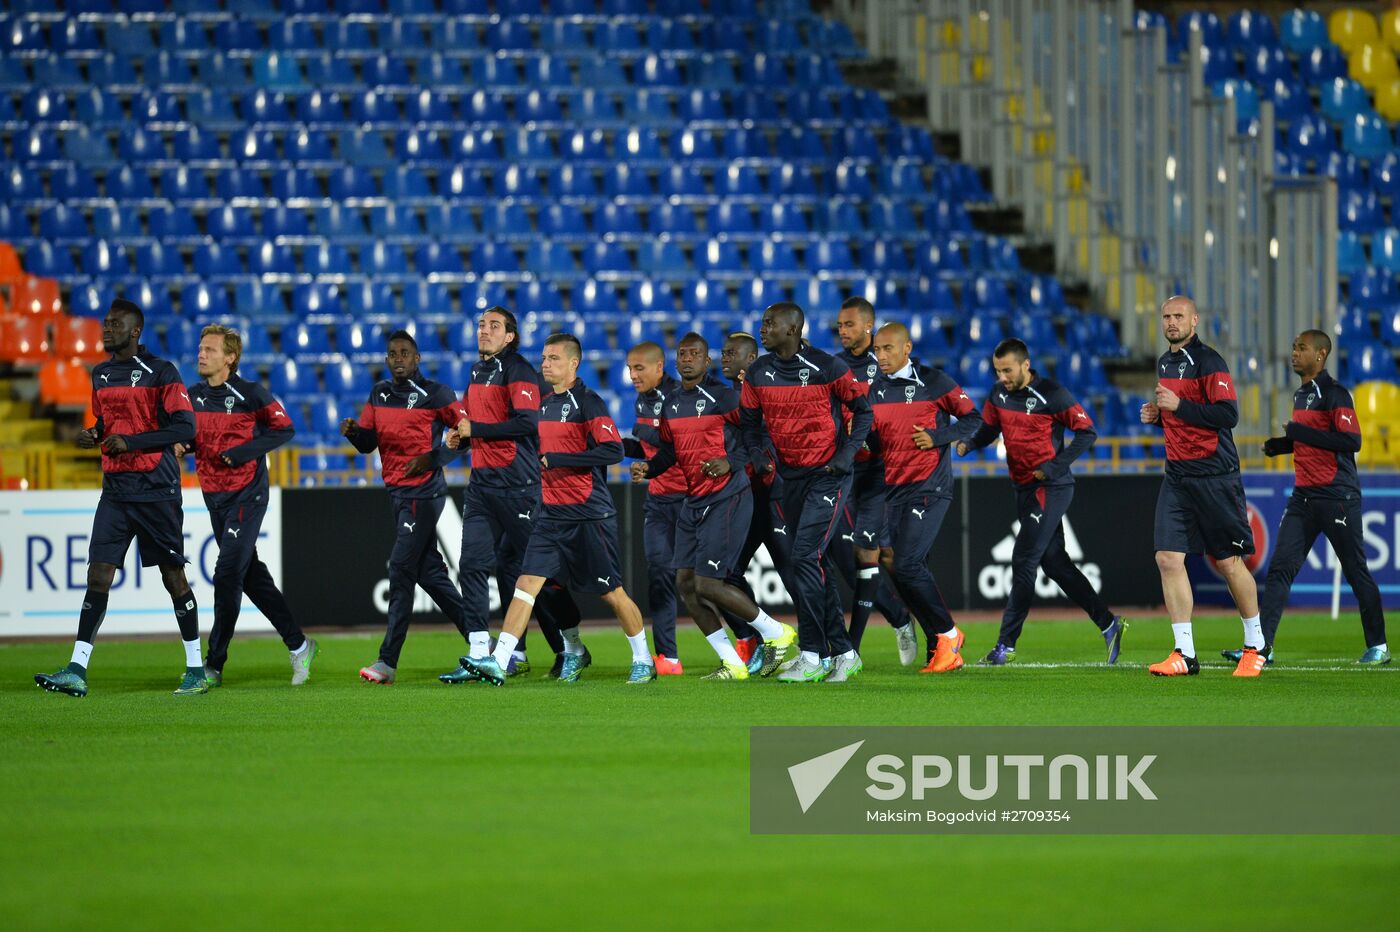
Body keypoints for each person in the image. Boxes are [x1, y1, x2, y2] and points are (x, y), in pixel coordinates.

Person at [457, 333, 656, 685]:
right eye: (544, 358)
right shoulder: (544, 404)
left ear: (573, 364)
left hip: (588, 514)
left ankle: (643, 658)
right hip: (550, 514)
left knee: (611, 591)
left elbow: (612, 450)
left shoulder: (588, 403)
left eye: (553, 359)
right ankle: (500, 660)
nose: (545, 364)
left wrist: (562, 459)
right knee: (528, 583)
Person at [35, 299, 203, 698]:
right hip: (115, 490)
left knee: (172, 577)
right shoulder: (101, 374)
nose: (106, 329)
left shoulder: (161, 372)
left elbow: (185, 426)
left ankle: (196, 669)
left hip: (156, 490)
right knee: (98, 574)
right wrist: (96, 434)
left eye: (114, 324)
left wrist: (132, 441)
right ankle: (77, 668)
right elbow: (107, 422)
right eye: (105, 323)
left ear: (135, 331)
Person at [632, 333, 799, 680]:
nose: (688, 358)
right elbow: (669, 452)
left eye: (695, 353)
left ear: (707, 362)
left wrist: (731, 461)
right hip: (693, 500)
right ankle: (733, 663)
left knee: (708, 583)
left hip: (728, 496)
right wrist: (650, 468)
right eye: (683, 353)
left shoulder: (722, 397)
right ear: (676, 361)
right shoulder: (672, 404)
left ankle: (775, 632)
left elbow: (758, 433)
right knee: (686, 585)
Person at [437, 306, 585, 683]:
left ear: (510, 336)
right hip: (483, 485)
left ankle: (571, 647)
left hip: (519, 488)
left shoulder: (517, 369)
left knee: (541, 575)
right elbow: (476, 423)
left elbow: (526, 422)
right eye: (481, 324)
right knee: (472, 566)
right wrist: (458, 439)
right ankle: (477, 653)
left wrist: (476, 431)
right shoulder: (477, 370)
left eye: (494, 326)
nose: (484, 331)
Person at [960, 338, 1126, 664]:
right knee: (1055, 564)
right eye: (997, 370)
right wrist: (969, 444)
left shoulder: (1051, 393)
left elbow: (1087, 432)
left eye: (1007, 370)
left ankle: (1004, 646)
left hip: (1051, 487)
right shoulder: (998, 394)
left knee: (1023, 560)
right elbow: (990, 429)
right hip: (1023, 489)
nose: (1002, 377)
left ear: (1025, 365)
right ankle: (1108, 623)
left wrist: (1053, 466)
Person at [740, 302, 873, 683]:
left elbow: (863, 412)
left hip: (828, 475)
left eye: (770, 323)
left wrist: (847, 455)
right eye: (763, 322)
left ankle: (813, 655)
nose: (762, 329)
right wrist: (758, 454)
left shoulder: (828, 367)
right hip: (791, 477)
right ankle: (844, 652)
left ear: (794, 328)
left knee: (803, 558)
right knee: (816, 564)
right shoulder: (758, 373)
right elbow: (749, 425)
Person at [1242, 329, 1388, 667]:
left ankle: (1379, 645)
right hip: (1304, 497)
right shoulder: (1301, 395)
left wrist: (1298, 433)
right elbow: (1314, 439)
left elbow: (1351, 441)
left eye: (1302, 348)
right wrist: (1282, 445)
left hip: (1337, 496)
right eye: (1293, 347)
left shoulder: (1336, 394)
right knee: (1279, 569)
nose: (1294, 352)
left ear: (1320, 355)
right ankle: (1263, 647)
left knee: (1355, 571)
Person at [182, 324, 314, 687]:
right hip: (214, 496)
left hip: (247, 495)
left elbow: (284, 429)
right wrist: (184, 446)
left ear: (230, 357)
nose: (201, 354)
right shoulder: (192, 397)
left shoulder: (251, 394)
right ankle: (300, 645)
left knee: (226, 573)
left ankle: (213, 664)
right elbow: (193, 438)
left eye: (210, 349)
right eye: (200, 348)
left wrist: (240, 453)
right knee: (250, 576)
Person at [341, 330, 472, 684]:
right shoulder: (379, 394)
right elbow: (368, 445)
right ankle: (481, 643)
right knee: (430, 575)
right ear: (387, 360)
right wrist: (354, 432)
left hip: (424, 494)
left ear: (417, 359)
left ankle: (387, 662)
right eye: (392, 354)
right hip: (397, 495)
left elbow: (466, 435)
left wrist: (432, 458)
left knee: (400, 569)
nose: (398, 358)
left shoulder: (436, 394)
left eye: (404, 353)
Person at [1140, 296, 1260, 676]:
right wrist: (1159, 417)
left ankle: (1255, 646)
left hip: (1214, 474)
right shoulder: (1164, 362)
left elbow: (1228, 415)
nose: (1171, 322)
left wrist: (1177, 406)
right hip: (1177, 474)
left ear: (1194, 320)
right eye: (1166, 317)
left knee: (1228, 562)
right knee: (1167, 558)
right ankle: (1185, 654)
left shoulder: (1210, 362)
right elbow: (1181, 416)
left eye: (1179, 316)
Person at [867, 322, 981, 672]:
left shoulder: (934, 382)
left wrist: (938, 437)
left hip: (930, 486)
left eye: (887, 349)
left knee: (907, 565)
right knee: (905, 571)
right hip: (895, 489)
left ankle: (948, 635)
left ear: (907, 348)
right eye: (877, 349)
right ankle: (941, 647)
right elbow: (873, 441)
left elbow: (973, 418)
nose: (881, 356)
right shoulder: (876, 390)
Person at [832, 298, 918, 664]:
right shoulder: (833, 367)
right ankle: (900, 617)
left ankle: (853, 648)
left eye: (849, 325)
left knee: (870, 553)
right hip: (846, 469)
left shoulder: (883, 363)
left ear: (868, 326)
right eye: (839, 325)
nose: (843, 331)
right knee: (858, 561)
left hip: (882, 469)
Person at [719, 331, 794, 673]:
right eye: (722, 352)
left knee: (794, 574)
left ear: (750, 360)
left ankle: (821, 647)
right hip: (742, 498)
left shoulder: (765, 392)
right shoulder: (726, 396)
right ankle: (758, 636)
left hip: (772, 494)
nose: (724, 357)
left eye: (731, 352)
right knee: (726, 573)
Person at [621, 341, 688, 674]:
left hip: (691, 498)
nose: (633, 375)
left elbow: (678, 444)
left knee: (706, 581)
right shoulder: (641, 399)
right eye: (630, 369)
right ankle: (668, 657)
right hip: (659, 499)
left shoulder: (679, 397)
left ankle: (749, 637)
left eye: (639, 368)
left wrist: (643, 432)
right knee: (660, 573)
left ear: (660, 366)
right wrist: (618, 446)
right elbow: (648, 446)